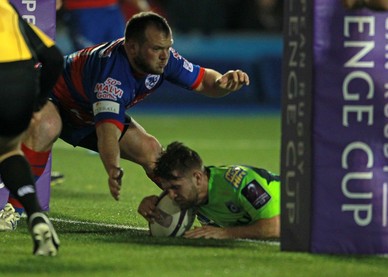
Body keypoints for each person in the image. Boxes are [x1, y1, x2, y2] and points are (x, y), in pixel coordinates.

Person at [22, 11, 250, 203]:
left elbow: (205, 82)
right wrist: (113, 169)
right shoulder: (111, 74)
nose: (164, 56)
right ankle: (14, 208)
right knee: (48, 126)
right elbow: (107, 134)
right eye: (157, 49)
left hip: (83, 112)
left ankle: (185, 206)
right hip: (45, 94)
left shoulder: (166, 60)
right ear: (131, 48)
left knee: (151, 150)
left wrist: (224, 83)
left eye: (168, 48)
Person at [0, 0, 63, 255]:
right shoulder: (6, 9)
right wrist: (38, 100)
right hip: (20, 82)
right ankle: (35, 214)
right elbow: (54, 59)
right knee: (8, 151)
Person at [138, 142, 280, 240]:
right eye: (166, 189)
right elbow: (175, 225)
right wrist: (154, 208)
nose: (171, 196)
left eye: (175, 187)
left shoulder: (241, 183)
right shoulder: (191, 194)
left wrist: (227, 233)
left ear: (198, 178)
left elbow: (274, 227)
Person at [60, 0, 151, 51]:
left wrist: (141, 5)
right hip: (83, 10)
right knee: (89, 60)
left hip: (111, 10)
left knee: (120, 54)